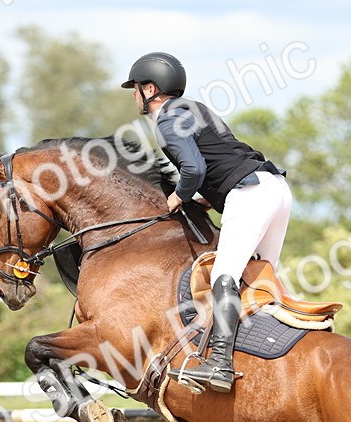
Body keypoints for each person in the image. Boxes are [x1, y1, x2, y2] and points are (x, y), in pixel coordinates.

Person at [122, 52, 291, 393]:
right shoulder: (196, 109)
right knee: (263, 276)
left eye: (135, 88)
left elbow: (195, 169)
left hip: (250, 194)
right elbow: (219, 159)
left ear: (150, 89)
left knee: (223, 275)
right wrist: (207, 197)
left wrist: (180, 196)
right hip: (275, 189)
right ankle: (287, 352)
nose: (133, 95)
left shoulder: (167, 121)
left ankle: (220, 366)